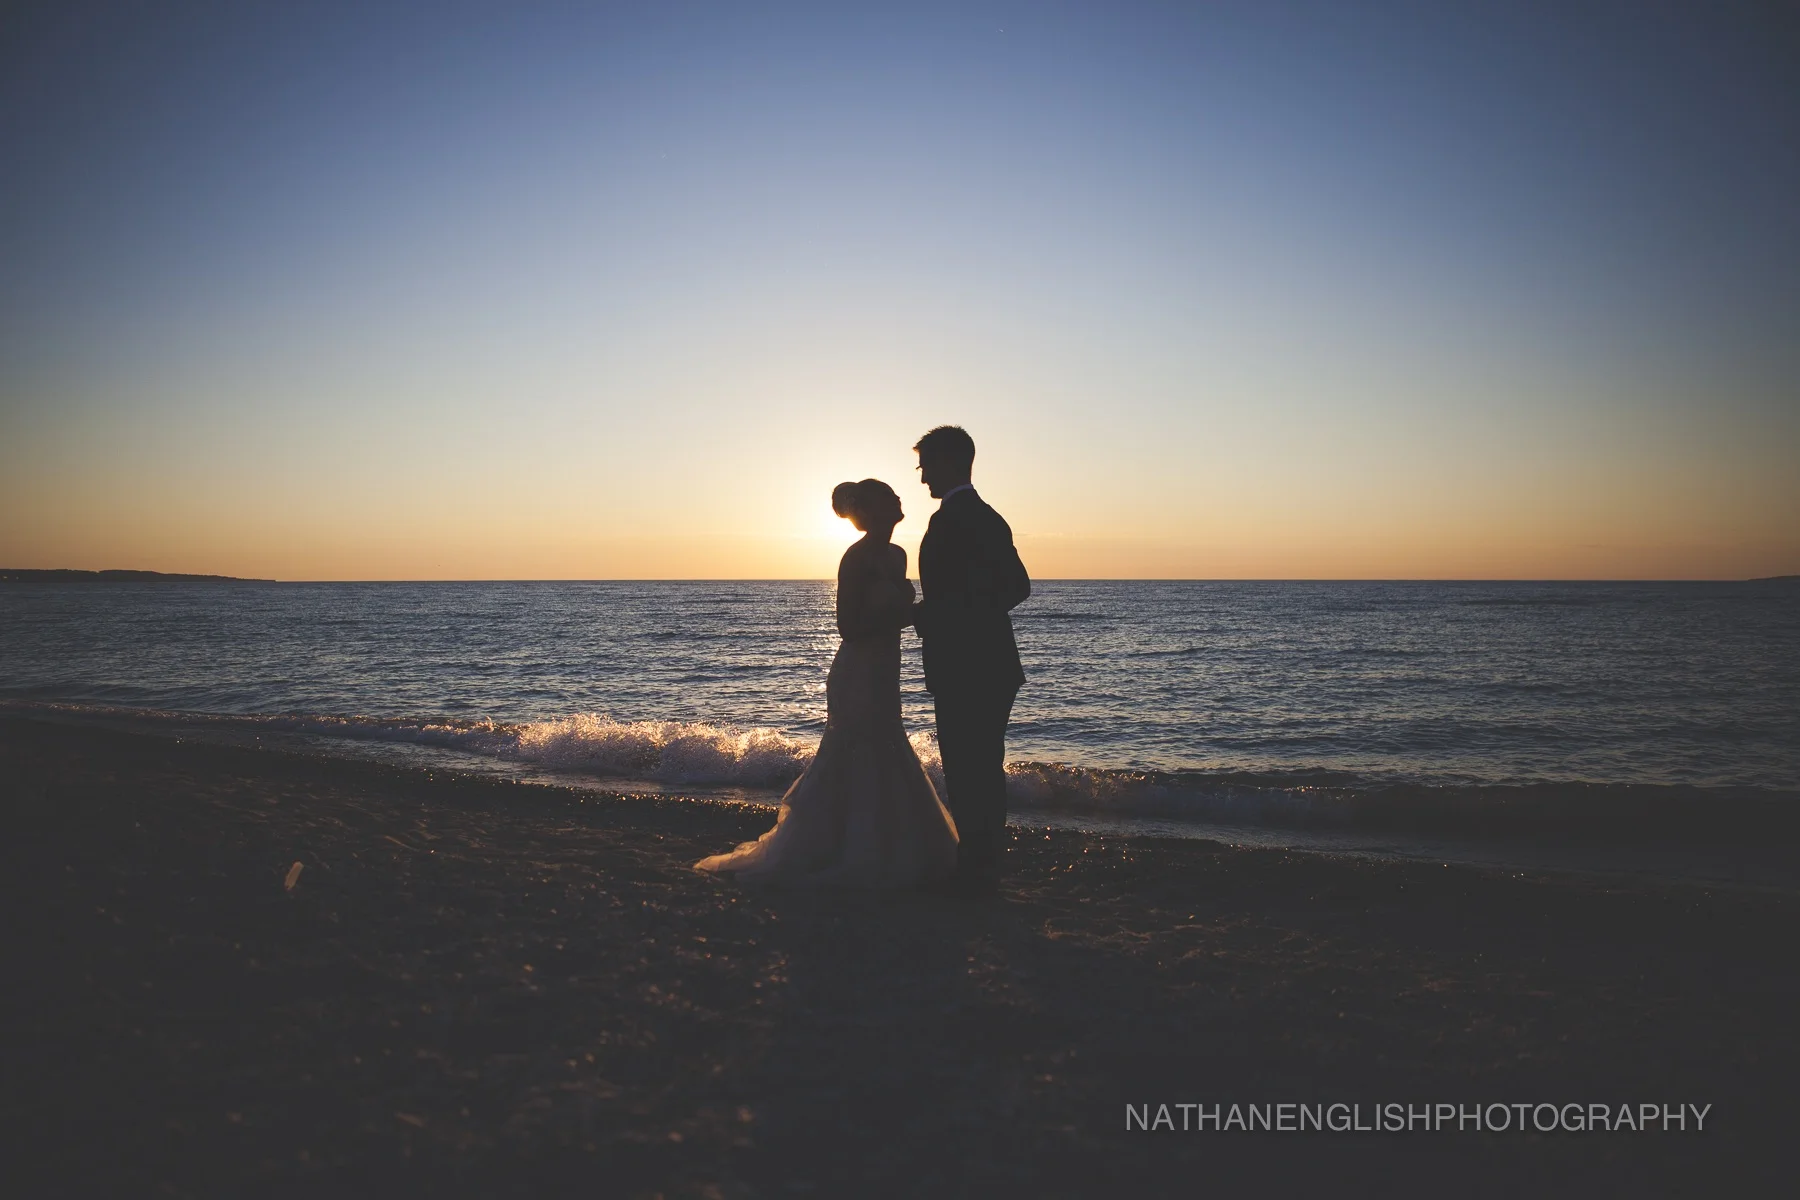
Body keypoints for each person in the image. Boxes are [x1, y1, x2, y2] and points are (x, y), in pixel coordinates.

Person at [695, 479, 958, 887]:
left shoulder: (898, 554)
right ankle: (843, 849)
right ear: (871, 512)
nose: (899, 499)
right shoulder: (855, 558)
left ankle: (891, 846)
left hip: (886, 670)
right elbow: (848, 627)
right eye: (889, 497)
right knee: (856, 751)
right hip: (858, 672)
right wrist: (909, 616)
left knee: (887, 748)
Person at [911, 426, 1030, 890]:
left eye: (925, 467)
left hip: (970, 664)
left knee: (969, 767)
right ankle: (981, 860)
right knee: (978, 764)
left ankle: (978, 865)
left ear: (949, 463)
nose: (922, 479)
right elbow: (1004, 587)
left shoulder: (967, 518)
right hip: (984, 663)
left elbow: (1012, 587)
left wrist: (940, 616)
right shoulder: (978, 517)